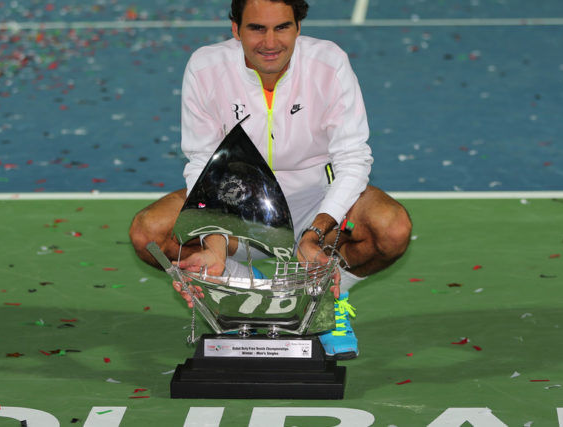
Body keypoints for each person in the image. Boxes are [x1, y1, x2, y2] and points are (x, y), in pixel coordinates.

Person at [129, 0, 412, 360]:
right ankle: (240, 286)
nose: (270, 42)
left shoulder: (329, 63)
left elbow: (352, 158)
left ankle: (325, 294)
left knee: (391, 229)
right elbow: (203, 160)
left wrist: (316, 232)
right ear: (236, 29)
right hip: (238, 207)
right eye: (256, 28)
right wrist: (215, 243)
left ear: (298, 27)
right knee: (149, 233)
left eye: (282, 27)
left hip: (315, 200)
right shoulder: (206, 67)